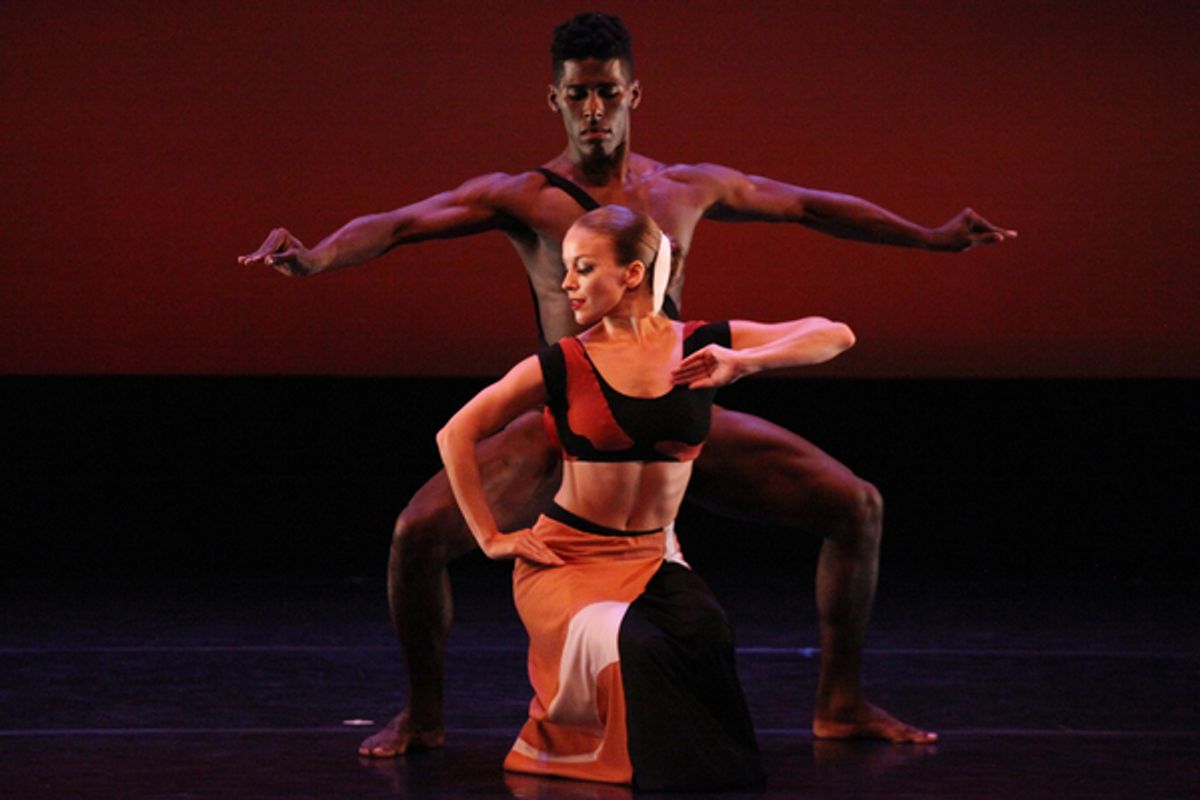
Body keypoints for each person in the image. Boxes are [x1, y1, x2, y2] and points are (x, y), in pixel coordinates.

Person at [240, 12, 1010, 755]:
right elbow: (403, 223)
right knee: (415, 535)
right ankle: (423, 717)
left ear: (633, 94)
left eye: (608, 90)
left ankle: (838, 704)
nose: (594, 108)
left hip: (674, 409)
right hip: (568, 424)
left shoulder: (685, 188)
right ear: (555, 100)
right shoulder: (524, 196)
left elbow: (808, 205)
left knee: (857, 506)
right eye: (577, 93)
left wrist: (932, 239)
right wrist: (314, 259)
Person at [437, 204, 854, 789]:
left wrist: (744, 362)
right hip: (568, 561)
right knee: (635, 645)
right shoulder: (565, 361)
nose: (567, 284)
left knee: (707, 635)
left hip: (653, 555)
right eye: (567, 269)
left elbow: (835, 334)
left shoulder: (700, 343)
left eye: (584, 269)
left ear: (631, 274)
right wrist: (490, 537)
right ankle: (610, 764)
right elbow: (456, 432)